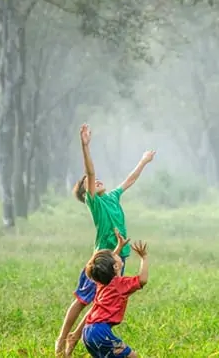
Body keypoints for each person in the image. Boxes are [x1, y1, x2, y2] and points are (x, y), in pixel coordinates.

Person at [55, 123, 156, 356]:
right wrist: (85, 146)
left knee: (101, 300)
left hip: (118, 257)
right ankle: (62, 339)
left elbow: (129, 180)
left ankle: (74, 339)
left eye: (97, 180)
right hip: (101, 260)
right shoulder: (95, 202)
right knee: (82, 300)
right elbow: (90, 172)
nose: (96, 180)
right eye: (90, 183)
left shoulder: (112, 197)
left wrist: (143, 161)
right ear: (86, 192)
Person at [78, 231, 149, 358]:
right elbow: (142, 280)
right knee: (133, 357)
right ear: (116, 266)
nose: (117, 255)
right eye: (116, 256)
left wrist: (119, 247)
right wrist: (144, 258)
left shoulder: (101, 281)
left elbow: (105, 265)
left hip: (87, 332)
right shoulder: (120, 284)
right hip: (100, 332)